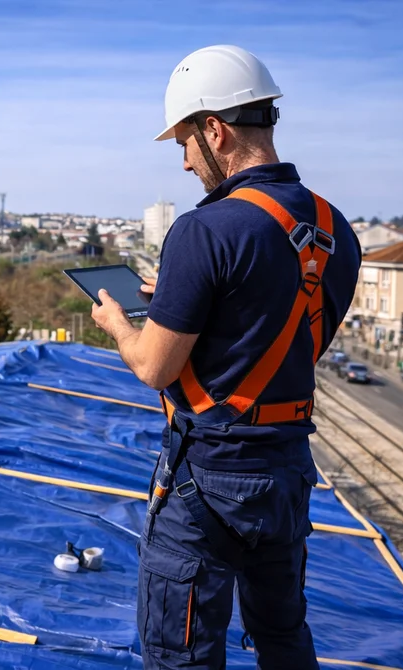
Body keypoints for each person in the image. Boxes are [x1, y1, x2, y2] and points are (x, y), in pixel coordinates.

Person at [89, 45, 360, 669]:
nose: (185, 163)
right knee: (283, 636)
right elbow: (280, 333)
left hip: (208, 477)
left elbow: (155, 367)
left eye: (185, 141)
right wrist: (187, 301)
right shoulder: (335, 227)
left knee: (180, 652)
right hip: (288, 471)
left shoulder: (204, 230)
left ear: (215, 129)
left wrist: (118, 324)